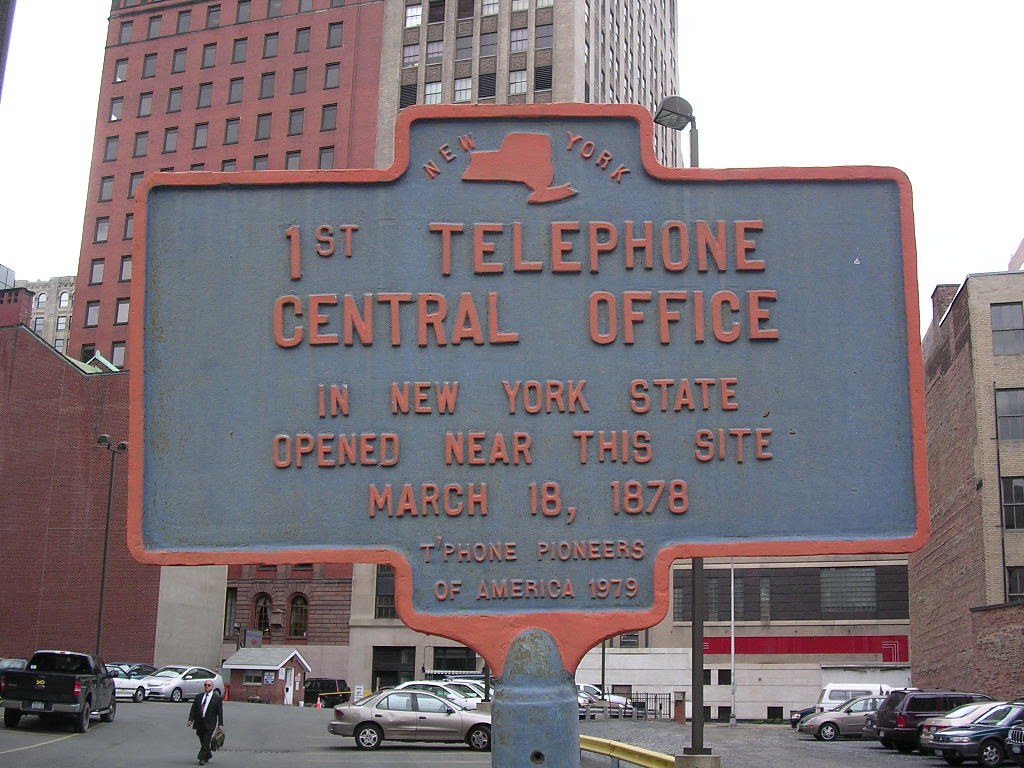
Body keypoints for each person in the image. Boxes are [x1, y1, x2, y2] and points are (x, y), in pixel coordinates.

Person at [187, 680, 224, 765]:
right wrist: (190, 719)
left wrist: (220, 724)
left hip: (210, 723)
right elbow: (193, 709)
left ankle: (201, 758)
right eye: (205, 685)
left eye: (209, 685)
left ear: (212, 687)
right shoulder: (199, 697)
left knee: (206, 739)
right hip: (199, 722)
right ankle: (208, 754)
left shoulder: (217, 698)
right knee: (202, 739)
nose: (207, 686)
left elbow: (220, 712)